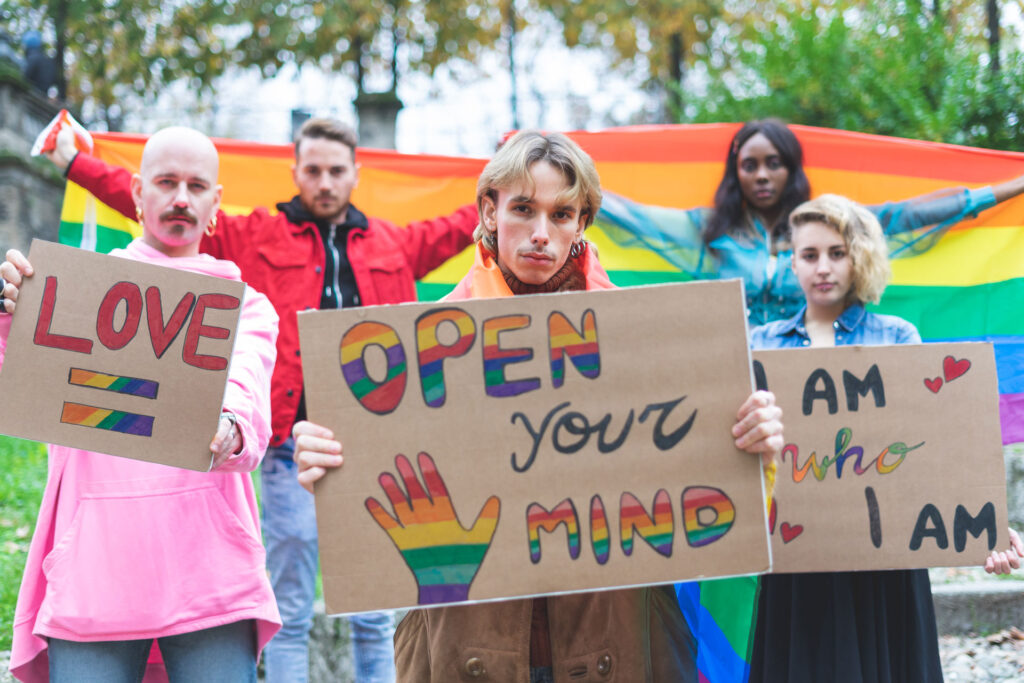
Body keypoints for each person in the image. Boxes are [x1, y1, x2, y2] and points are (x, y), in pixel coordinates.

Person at [291, 130, 785, 682]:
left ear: (582, 224)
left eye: (563, 214)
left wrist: (750, 448)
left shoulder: (648, 343)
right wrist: (332, 469)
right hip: (466, 638)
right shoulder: (417, 352)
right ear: (490, 209)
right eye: (523, 209)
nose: (541, 234)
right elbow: (375, 504)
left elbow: (708, 509)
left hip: (616, 636)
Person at [43, 117, 480, 682]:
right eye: (314, 170)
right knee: (293, 599)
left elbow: (464, 224)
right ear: (295, 172)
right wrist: (75, 164)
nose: (325, 182)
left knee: (377, 607)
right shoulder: (254, 235)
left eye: (336, 171)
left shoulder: (395, 242)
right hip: (283, 443)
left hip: (374, 446)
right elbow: (163, 203)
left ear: (355, 175)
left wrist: (508, 183)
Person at [1, 126, 280, 682]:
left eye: (197, 185)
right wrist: (10, 313)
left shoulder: (247, 308)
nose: (181, 198)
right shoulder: (69, 295)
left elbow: (245, 396)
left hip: (207, 566)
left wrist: (230, 425)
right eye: (167, 182)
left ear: (216, 202)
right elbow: (18, 388)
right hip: (95, 565)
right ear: (136, 191)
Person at [746, 194, 1024, 682]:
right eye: (810, 255)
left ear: (860, 256)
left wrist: (986, 525)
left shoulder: (898, 337)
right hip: (795, 560)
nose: (824, 267)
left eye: (838, 252)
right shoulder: (761, 345)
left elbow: (935, 448)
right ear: (793, 263)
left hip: (885, 562)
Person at [597, 118, 1024, 325]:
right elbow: (632, 218)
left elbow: (906, 215)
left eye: (773, 163)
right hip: (735, 375)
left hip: (814, 369)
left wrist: (1010, 188)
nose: (762, 175)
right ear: (736, 172)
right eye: (750, 165)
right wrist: (561, 182)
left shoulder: (824, 223)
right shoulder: (709, 229)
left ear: (791, 170)